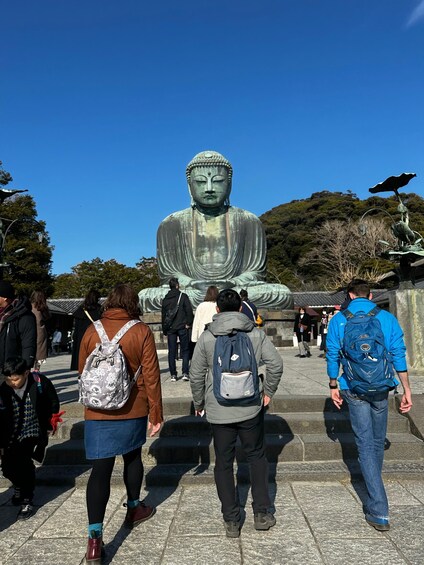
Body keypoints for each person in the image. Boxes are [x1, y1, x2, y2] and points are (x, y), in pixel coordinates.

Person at [139, 150, 293, 312]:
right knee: (148, 296)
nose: (210, 188)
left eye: (218, 181)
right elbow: (169, 276)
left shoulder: (249, 221)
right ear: (189, 186)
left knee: (280, 294)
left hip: (235, 289)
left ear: (229, 184)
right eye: (200, 182)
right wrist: (191, 283)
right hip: (193, 291)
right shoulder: (171, 223)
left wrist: (234, 282)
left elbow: (256, 272)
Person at [78, 284, 163, 563]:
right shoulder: (140, 331)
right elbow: (151, 375)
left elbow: (82, 372)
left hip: (97, 412)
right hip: (132, 407)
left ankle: (94, 538)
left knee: (99, 471)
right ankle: (134, 507)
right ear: (133, 303)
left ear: (109, 302)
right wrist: (156, 413)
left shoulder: (92, 330)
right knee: (132, 457)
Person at [189, 289, 284, 538]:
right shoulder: (255, 332)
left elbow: (196, 373)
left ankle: (231, 519)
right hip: (251, 406)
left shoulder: (207, 337)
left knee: (223, 462)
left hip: (219, 409)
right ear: (242, 308)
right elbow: (275, 363)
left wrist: (199, 403)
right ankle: (262, 513)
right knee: (257, 456)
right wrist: (268, 391)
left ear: (217, 309)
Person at [327, 279, 412, 532]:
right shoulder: (386, 318)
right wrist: (406, 389)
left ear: (350, 295)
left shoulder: (339, 320)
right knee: (376, 440)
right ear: (371, 295)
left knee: (364, 443)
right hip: (382, 386)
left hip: (352, 387)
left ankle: (379, 508)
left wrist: (333, 385)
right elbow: (398, 352)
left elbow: (332, 354)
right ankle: (375, 487)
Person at [0, 357, 61, 520]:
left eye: (15, 379)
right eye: (7, 379)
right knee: (6, 468)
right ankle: (19, 486)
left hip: (33, 429)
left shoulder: (40, 383)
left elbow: (54, 403)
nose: (12, 383)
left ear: (26, 373)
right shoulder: (3, 389)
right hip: (10, 433)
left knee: (24, 463)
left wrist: (50, 424)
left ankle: (27, 499)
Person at [161, 277, 193, 382]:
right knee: (185, 350)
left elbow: (163, 315)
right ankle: (185, 372)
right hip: (182, 326)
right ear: (177, 285)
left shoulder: (166, 299)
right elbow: (189, 310)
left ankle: (173, 374)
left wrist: (164, 329)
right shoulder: (183, 296)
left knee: (172, 351)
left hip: (170, 328)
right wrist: (188, 323)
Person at [0, 281, 36, 372]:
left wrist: (26, 367)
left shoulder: (24, 315)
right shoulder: (1, 314)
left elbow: (28, 343)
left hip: (11, 368)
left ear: (4, 298)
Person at [70, 289, 102, 371]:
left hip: (82, 337)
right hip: (95, 337)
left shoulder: (80, 310)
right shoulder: (99, 310)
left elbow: (76, 328)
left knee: (82, 359)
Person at [30, 290, 51, 367]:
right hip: (41, 333)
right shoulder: (43, 309)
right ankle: (36, 372)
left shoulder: (29, 307)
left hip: (30, 332)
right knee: (39, 356)